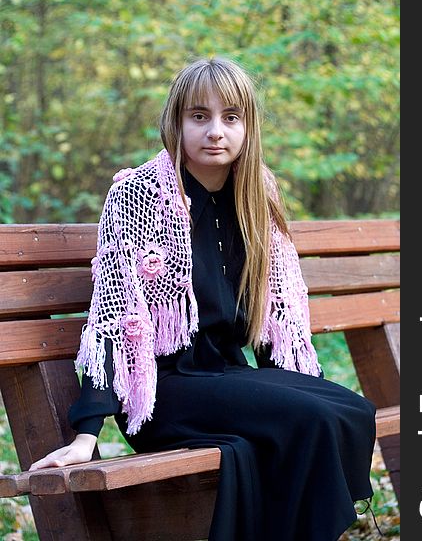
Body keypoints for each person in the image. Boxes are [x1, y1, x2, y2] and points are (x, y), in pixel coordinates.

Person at [30, 56, 376, 541]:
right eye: (199, 116)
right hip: (161, 390)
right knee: (315, 419)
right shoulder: (139, 194)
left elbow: (277, 317)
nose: (216, 131)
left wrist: (302, 385)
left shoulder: (257, 193)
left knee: (352, 411)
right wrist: (88, 431)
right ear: (177, 122)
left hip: (227, 376)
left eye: (230, 118)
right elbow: (115, 314)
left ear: (248, 127)